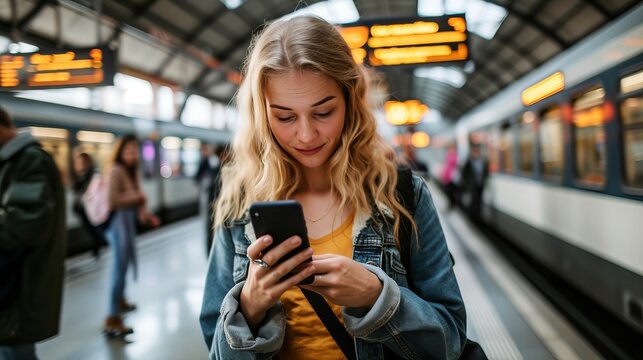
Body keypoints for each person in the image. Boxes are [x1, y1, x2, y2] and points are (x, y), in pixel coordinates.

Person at [199, 16, 466, 360]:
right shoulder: (239, 206)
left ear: (350, 100)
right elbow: (215, 347)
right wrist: (249, 307)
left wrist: (377, 297)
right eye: (285, 117)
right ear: (262, 115)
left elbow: (450, 341)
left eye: (323, 112)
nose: (307, 135)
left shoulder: (401, 195)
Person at [0, 106, 66, 359]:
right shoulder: (11, 160)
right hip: (10, 281)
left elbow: (23, 226)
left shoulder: (28, 160)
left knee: (14, 351)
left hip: (18, 283)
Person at [103, 135, 159, 337]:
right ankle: (112, 316)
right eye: (127, 151)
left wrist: (147, 214)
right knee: (119, 266)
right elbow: (113, 199)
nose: (132, 154)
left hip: (127, 221)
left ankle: (120, 300)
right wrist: (138, 197)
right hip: (118, 221)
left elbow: (137, 200)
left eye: (134, 151)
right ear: (120, 152)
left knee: (124, 263)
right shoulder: (116, 170)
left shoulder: (131, 171)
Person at [71, 151, 107, 258]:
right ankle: (98, 248)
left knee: (93, 229)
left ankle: (98, 248)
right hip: (83, 207)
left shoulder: (92, 175)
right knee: (91, 229)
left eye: (81, 162)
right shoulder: (80, 175)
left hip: (90, 207)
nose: (79, 164)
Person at [460, 145, 488, 223]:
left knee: (478, 201)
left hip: (480, 185)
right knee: (472, 201)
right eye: (474, 152)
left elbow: (485, 172)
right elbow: (464, 173)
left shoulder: (482, 161)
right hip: (472, 186)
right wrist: (466, 183)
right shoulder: (469, 162)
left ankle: (477, 217)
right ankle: (472, 217)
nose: (476, 153)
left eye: (477, 152)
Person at [441, 144, 460, 209]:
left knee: (452, 191)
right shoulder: (448, 154)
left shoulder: (456, 156)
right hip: (448, 175)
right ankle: (451, 203)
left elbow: (456, 165)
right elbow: (446, 164)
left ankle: (452, 204)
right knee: (448, 191)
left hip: (453, 176)